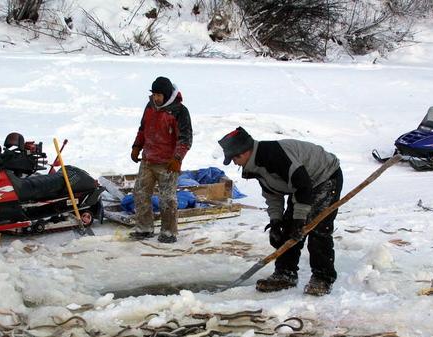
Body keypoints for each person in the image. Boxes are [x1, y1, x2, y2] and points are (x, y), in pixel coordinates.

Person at [218, 127, 343, 296]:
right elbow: (272, 193)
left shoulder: (273, 155)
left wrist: (300, 220)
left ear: (244, 152)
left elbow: (303, 185)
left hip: (324, 177)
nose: (234, 162)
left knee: (317, 228)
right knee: (289, 228)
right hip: (301, 187)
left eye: (234, 158)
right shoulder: (255, 165)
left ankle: (323, 277)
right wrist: (276, 221)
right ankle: (285, 274)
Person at [129, 76, 193, 243]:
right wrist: (136, 147)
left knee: (167, 198)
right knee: (140, 193)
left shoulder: (179, 111)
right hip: (148, 160)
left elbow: (185, 139)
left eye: (159, 95)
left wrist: (177, 158)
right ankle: (144, 228)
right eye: (154, 94)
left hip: (168, 163)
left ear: (167, 94)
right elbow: (142, 129)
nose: (156, 98)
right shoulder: (150, 107)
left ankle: (168, 232)